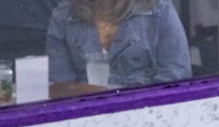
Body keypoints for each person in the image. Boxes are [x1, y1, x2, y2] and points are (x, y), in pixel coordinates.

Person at [46, 0, 189, 96]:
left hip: (149, 118)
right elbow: (59, 88)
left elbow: (176, 77)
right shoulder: (62, 16)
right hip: (84, 122)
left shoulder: (159, 8)